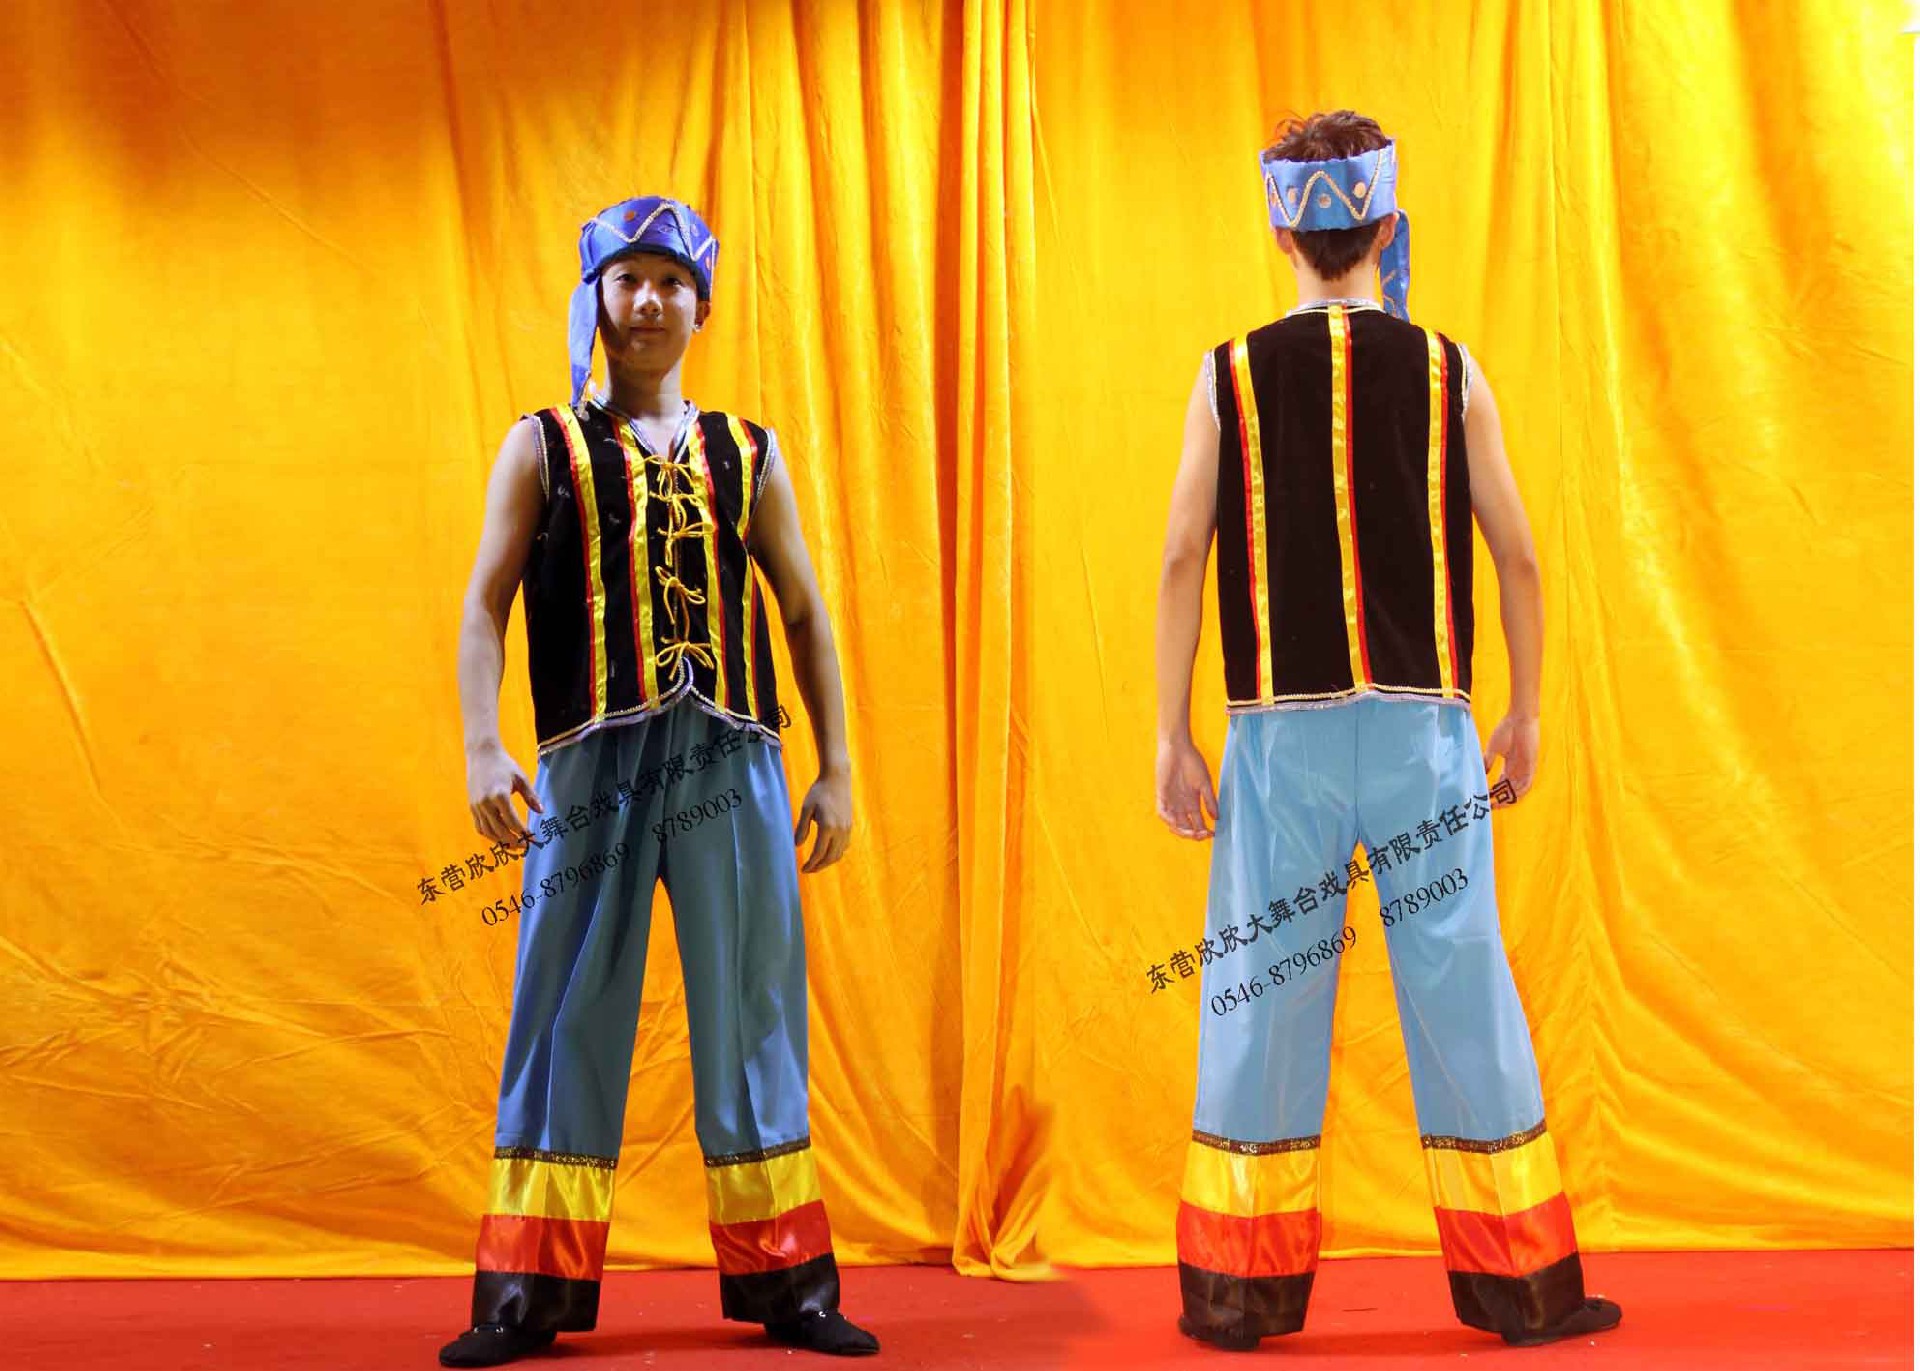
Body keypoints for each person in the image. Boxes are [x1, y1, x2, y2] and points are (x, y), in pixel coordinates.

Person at [1152, 111, 1622, 1351]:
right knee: (1462, 983)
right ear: (1385, 225)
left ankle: (1236, 1294)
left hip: (1277, 740)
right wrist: (1524, 709)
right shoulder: (1449, 370)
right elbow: (1518, 555)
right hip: (1425, 737)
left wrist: (1170, 733)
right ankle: (1525, 1287)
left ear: (1282, 232)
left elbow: (1183, 555)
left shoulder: (1226, 374)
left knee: (1261, 992)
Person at [439, 196, 879, 1366]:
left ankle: (791, 1285)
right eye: (627, 279)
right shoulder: (542, 444)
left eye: (672, 282)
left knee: (755, 1007)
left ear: (702, 305)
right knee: (563, 1006)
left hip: (732, 757)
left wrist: (835, 767)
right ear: (594, 298)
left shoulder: (748, 452)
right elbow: (484, 603)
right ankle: (523, 1294)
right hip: (592, 760)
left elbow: (803, 613)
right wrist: (482, 743)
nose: (648, 301)